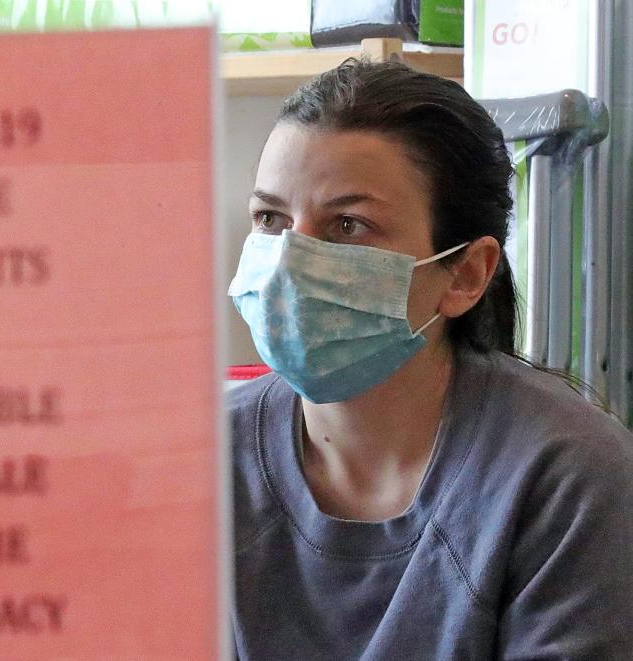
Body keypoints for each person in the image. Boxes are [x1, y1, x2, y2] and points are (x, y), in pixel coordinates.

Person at [226, 58, 633, 660]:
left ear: (466, 274)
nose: (290, 262)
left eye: (347, 225)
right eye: (271, 219)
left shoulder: (566, 474)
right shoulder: (203, 460)